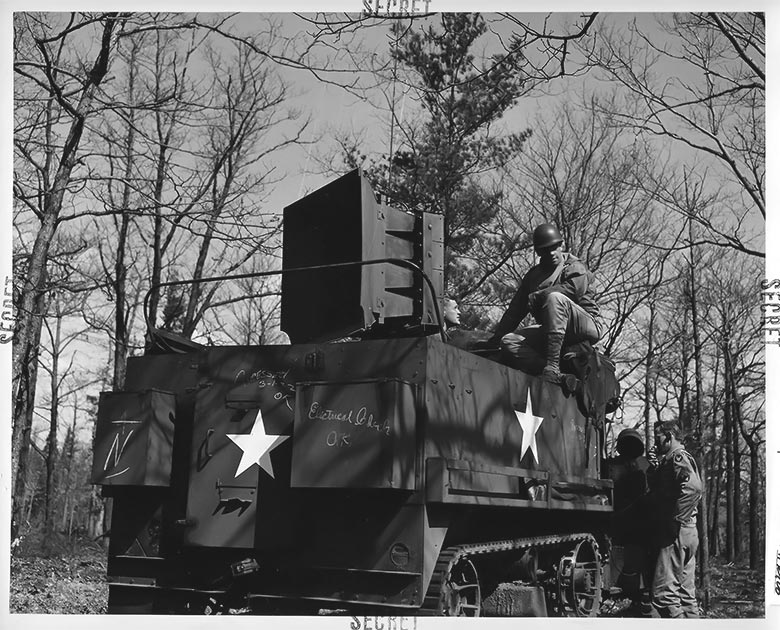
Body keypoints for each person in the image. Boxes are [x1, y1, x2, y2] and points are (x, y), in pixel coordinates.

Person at [486, 224, 602, 384]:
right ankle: (553, 371)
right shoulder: (534, 276)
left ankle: (552, 366)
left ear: (561, 245)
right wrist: (495, 339)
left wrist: (539, 295)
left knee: (555, 298)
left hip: (583, 326)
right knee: (509, 341)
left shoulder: (575, 266)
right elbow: (515, 310)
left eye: (555, 247)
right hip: (552, 329)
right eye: (546, 249)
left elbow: (573, 290)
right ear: (539, 252)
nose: (552, 253)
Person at [647, 420, 703, 618]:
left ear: (669, 437)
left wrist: (675, 519)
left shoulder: (677, 456)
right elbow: (662, 491)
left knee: (664, 595)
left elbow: (693, 488)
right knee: (686, 596)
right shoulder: (669, 460)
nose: (654, 443)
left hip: (676, 532)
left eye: (657, 438)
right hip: (687, 531)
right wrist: (654, 467)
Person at [607, 427, 654, 616]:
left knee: (635, 560)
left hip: (628, 521)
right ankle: (638, 595)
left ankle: (639, 596)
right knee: (633, 560)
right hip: (631, 521)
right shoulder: (644, 465)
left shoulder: (640, 465)